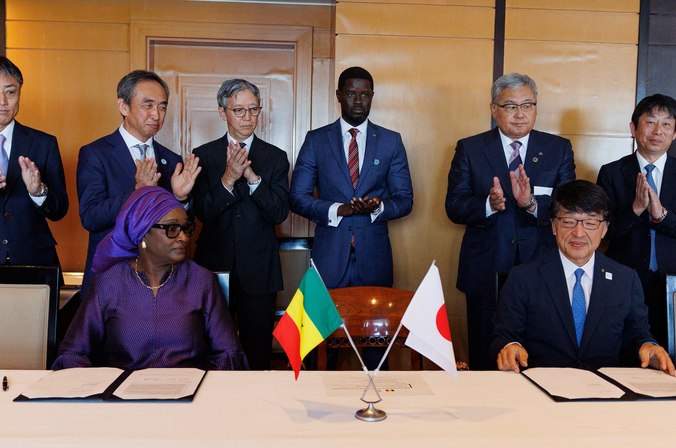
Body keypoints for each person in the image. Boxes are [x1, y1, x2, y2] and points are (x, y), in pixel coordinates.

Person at [446, 72, 575, 370]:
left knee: (540, 356)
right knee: (484, 355)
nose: (520, 114)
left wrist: (531, 204)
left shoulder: (558, 149)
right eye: (511, 106)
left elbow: (568, 208)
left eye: (527, 106)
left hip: (541, 267)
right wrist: (488, 205)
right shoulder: (470, 148)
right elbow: (454, 206)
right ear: (494, 109)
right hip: (485, 267)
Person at [289, 66, 413, 370]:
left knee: (375, 348)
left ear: (372, 96)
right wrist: (338, 210)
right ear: (338, 96)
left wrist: (379, 207)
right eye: (351, 93)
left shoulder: (391, 141)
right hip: (329, 257)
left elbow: (405, 199)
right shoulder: (316, 140)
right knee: (322, 348)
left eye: (365, 94)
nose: (358, 100)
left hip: (374, 258)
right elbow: (297, 197)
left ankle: (377, 397)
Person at [52, 186, 248, 370]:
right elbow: (72, 354)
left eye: (186, 228)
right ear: (142, 232)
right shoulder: (108, 283)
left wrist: (203, 388)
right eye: (172, 229)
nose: (184, 238)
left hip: (188, 391)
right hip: (122, 392)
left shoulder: (200, 280)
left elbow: (228, 352)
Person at [492, 180, 674, 375]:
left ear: (605, 228)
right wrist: (510, 346)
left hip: (605, 387)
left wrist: (648, 346)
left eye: (590, 223)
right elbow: (504, 335)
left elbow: (637, 336)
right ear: (553, 226)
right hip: (542, 385)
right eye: (568, 222)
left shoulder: (625, 279)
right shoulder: (523, 277)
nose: (578, 233)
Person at [192, 79, 289, 370]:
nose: (248, 117)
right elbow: (202, 212)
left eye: (253, 109)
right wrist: (228, 179)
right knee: (210, 350)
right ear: (222, 112)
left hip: (259, 270)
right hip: (213, 268)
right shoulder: (204, 155)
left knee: (257, 353)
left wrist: (252, 179)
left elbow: (279, 213)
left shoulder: (275, 157)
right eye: (239, 110)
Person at [77, 70, 201, 296]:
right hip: (111, 276)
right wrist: (138, 192)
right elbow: (91, 216)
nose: (156, 115)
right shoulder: (96, 154)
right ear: (123, 107)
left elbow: (184, 227)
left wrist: (180, 198)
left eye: (162, 107)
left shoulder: (172, 160)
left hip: (162, 280)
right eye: (148, 105)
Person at [597, 94, 676, 349]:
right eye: (650, 122)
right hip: (624, 278)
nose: (658, 131)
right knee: (624, 351)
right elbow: (603, 231)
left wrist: (661, 216)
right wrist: (635, 209)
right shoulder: (611, 172)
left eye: (666, 124)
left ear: (674, 133)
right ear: (633, 128)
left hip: (672, 281)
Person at [0, 56, 68, 266]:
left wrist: (39, 192)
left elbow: (59, 210)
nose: (3, 101)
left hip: (33, 260)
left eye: (10, 92)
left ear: (19, 93)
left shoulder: (44, 143)